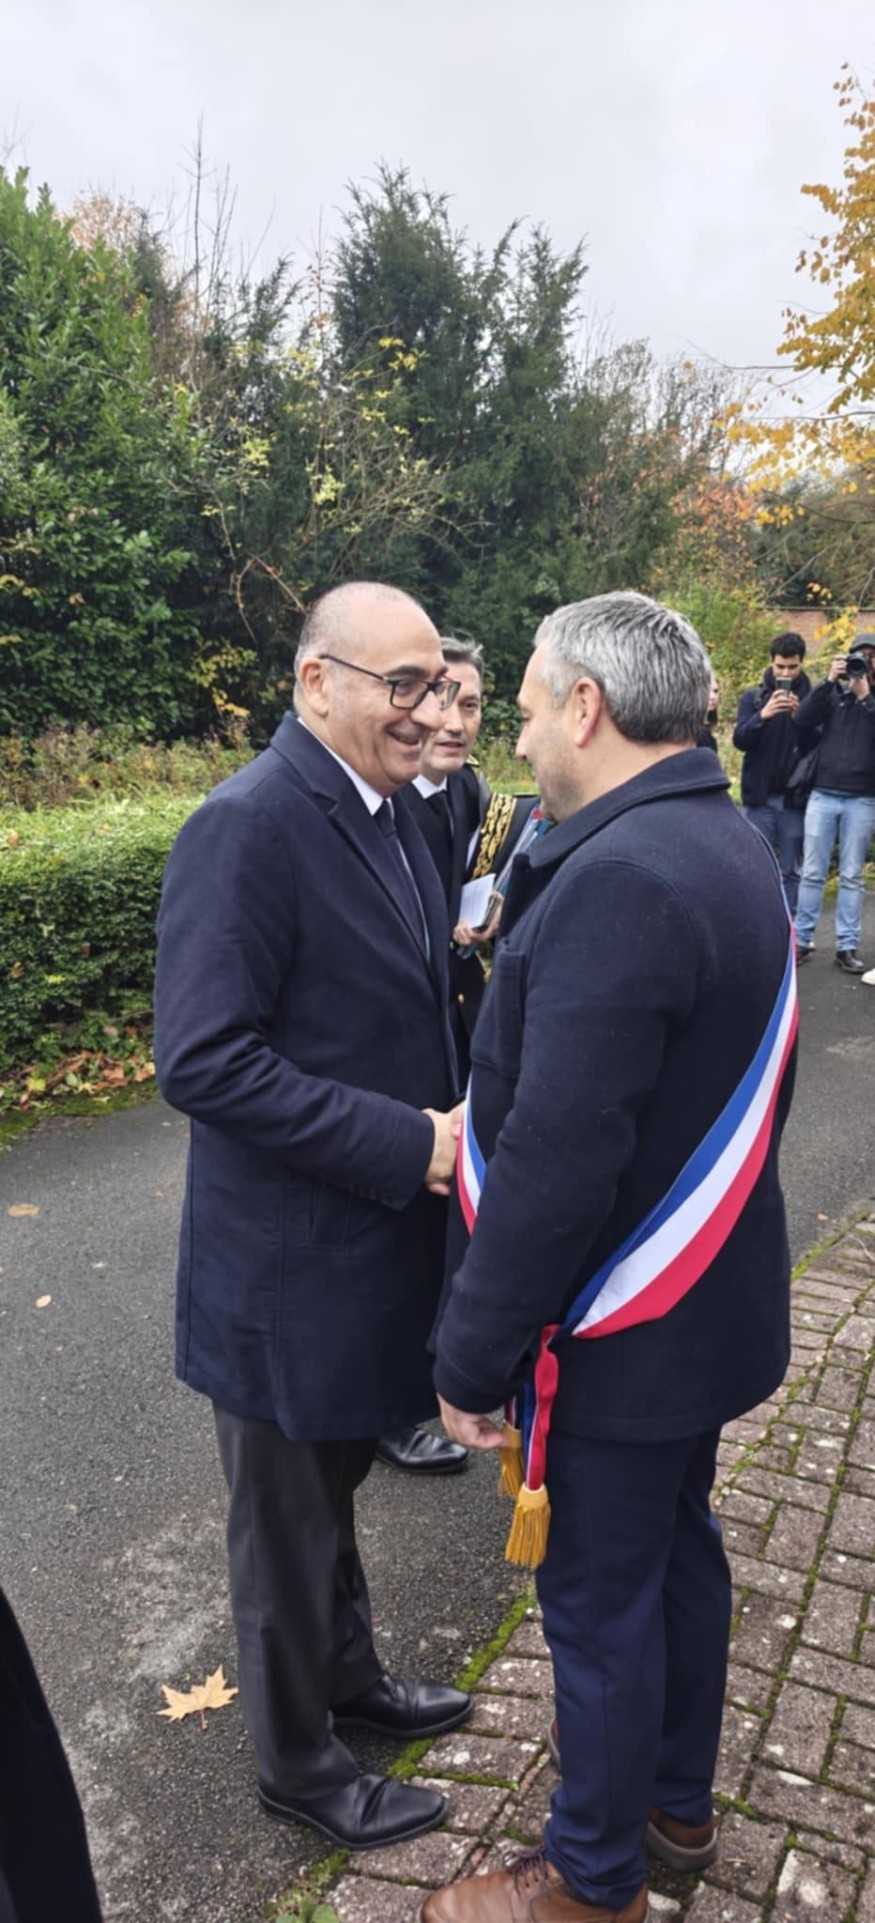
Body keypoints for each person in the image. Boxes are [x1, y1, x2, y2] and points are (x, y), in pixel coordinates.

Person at [424, 592, 797, 1923]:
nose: (518, 734)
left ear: (585, 706)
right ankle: (673, 1804)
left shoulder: (624, 876)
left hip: (618, 1336)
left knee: (596, 1606)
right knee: (676, 1559)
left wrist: (469, 1353)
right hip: (700, 1314)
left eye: (526, 707)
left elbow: (558, 1159)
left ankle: (591, 1879)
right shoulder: (720, 836)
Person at [154, 581, 472, 1854]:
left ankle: (350, 1684)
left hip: (361, 1253)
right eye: (401, 685)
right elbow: (204, 1061)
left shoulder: (397, 811)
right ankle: (298, 1765)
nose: (427, 709)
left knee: (329, 1499)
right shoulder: (246, 827)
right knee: (284, 1534)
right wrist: (410, 1143)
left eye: (435, 683)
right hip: (281, 1271)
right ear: (314, 682)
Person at [376, 638, 486, 1478]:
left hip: (456, 1030)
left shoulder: (469, 792)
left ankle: (434, 1375)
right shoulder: (380, 802)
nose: (452, 720)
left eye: (470, 703)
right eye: (437, 697)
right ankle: (389, 1405)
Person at [792, 632, 875, 972]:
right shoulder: (834, 695)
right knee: (812, 872)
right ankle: (801, 940)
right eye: (859, 656)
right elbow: (801, 719)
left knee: (852, 875)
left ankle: (847, 946)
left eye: (870, 656)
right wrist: (828, 681)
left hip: (863, 799)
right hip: (823, 793)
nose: (863, 662)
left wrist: (866, 698)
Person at [732, 632, 810, 914]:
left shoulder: (813, 698)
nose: (785, 673)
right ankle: (758, 923)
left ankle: (789, 928)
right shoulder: (753, 698)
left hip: (793, 799)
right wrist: (763, 715)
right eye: (780, 667)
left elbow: (817, 747)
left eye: (792, 667)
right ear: (771, 663)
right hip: (759, 798)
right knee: (756, 866)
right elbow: (740, 740)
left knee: (791, 871)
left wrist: (801, 718)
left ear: (802, 663)